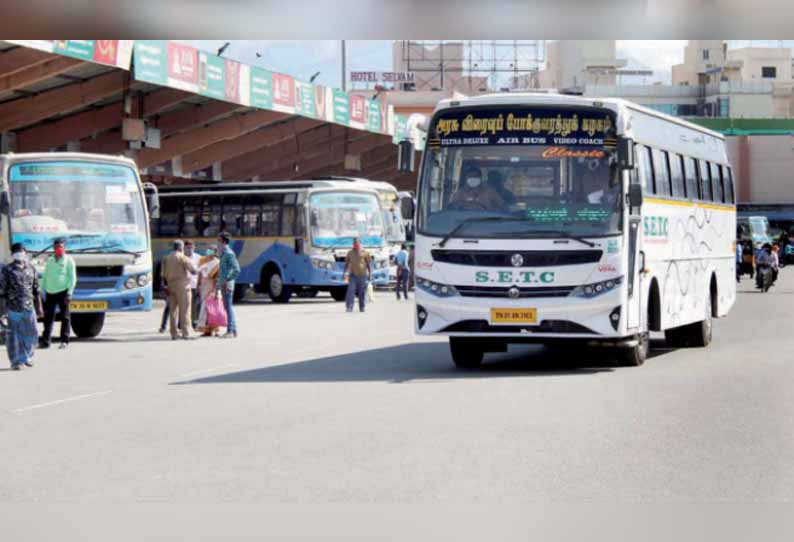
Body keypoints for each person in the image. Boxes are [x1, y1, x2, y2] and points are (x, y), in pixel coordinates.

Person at [0, 243, 43, 370]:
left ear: (25, 252)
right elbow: (2, 291)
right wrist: (2, 311)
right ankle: (16, 362)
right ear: (13, 254)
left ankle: (26, 357)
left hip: (29, 307)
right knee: (13, 336)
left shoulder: (31, 268)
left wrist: (39, 307)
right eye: (17, 251)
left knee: (32, 333)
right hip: (13, 308)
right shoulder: (7, 270)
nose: (20, 253)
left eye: (22, 250)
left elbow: (36, 289)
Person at [39, 238, 77, 350]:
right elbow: (45, 276)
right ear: (54, 248)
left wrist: (70, 293)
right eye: (56, 247)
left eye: (61, 247)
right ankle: (46, 341)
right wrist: (42, 290)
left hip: (63, 292)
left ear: (64, 248)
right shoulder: (50, 260)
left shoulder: (69, 260)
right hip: (50, 292)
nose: (58, 249)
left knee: (65, 317)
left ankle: (64, 341)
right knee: (48, 318)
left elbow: (73, 278)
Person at [161, 240, 198, 340]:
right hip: (183, 286)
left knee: (173, 310)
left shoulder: (166, 258)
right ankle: (186, 333)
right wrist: (198, 269)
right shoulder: (183, 257)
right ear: (181, 247)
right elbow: (193, 271)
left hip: (170, 286)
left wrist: (165, 286)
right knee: (185, 310)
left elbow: (163, 275)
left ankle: (174, 334)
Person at [217, 232, 241, 338]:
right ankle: (233, 330)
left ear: (223, 241)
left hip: (227, 284)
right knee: (227, 307)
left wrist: (227, 279)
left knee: (228, 307)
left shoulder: (228, 253)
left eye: (218, 240)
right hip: (223, 283)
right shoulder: (223, 253)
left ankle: (230, 331)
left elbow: (236, 269)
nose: (217, 242)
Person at [196, 246, 222, 337]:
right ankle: (206, 330)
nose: (208, 251)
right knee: (205, 309)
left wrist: (215, 289)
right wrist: (198, 285)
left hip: (212, 286)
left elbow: (217, 277)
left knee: (213, 308)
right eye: (208, 249)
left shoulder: (217, 263)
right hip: (204, 285)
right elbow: (199, 273)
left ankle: (214, 329)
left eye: (211, 250)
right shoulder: (202, 260)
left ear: (215, 252)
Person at [343, 237, 372, 313]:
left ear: (360, 243)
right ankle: (349, 307)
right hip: (353, 275)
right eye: (354, 243)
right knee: (350, 291)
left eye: (357, 243)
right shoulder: (350, 252)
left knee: (362, 292)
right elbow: (346, 264)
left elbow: (368, 265)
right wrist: (344, 273)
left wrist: (370, 274)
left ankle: (362, 307)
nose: (355, 244)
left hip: (362, 275)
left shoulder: (365, 252)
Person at [184, 240, 202, 329]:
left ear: (194, 247)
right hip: (185, 285)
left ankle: (195, 322)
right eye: (188, 248)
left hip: (195, 285)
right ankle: (182, 323)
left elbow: (201, 271)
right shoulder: (182, 258)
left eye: (191, 248)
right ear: (184, 248)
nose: (189, 250)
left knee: (195, 306)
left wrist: (200, 285)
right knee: (185, 306)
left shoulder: (198, 258)